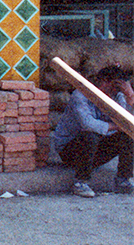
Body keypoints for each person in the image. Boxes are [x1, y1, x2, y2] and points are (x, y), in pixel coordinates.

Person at [52, 65, 133, 198]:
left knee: (128, 135)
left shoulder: (117, 96)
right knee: (90, 135)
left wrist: (130, 97)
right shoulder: (80, 95)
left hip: (96, 151)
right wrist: (117, 126)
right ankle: (81, 182)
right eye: (113, 86)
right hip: (71, 151)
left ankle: (123, 180)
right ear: (104, 81)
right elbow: (88, 124)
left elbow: (127, 122)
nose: (115, 91)